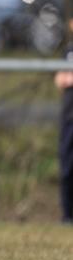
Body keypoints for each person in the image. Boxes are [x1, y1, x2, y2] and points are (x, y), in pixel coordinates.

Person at [55, 20, 73, 224]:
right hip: (69, 118)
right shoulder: (68, 51)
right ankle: (67, 216)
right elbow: (60, 80)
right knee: (68, 168)